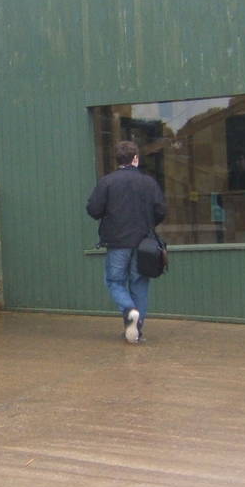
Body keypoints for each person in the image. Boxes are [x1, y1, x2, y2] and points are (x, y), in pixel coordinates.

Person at [86, 139, 167, 344]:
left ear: (117, 160)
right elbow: (161, 210)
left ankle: (129, 310)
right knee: (139, 283)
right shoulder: (148, 182)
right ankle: (136, 331)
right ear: (136, 159)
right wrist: (148, 224)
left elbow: (93, 210)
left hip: (117, 242)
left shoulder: (107, 182)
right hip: (143, 243)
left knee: (114, 281)